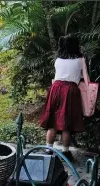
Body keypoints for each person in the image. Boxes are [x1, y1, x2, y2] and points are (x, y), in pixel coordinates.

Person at [39, 34, 85, 162]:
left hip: (56, 88)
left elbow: (57, 75)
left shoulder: (58, 59)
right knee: (66, 124)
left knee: (53, 121)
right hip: (70, 90)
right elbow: (85, 78)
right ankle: (65, 151)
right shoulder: (80, 59)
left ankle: (48, 149)